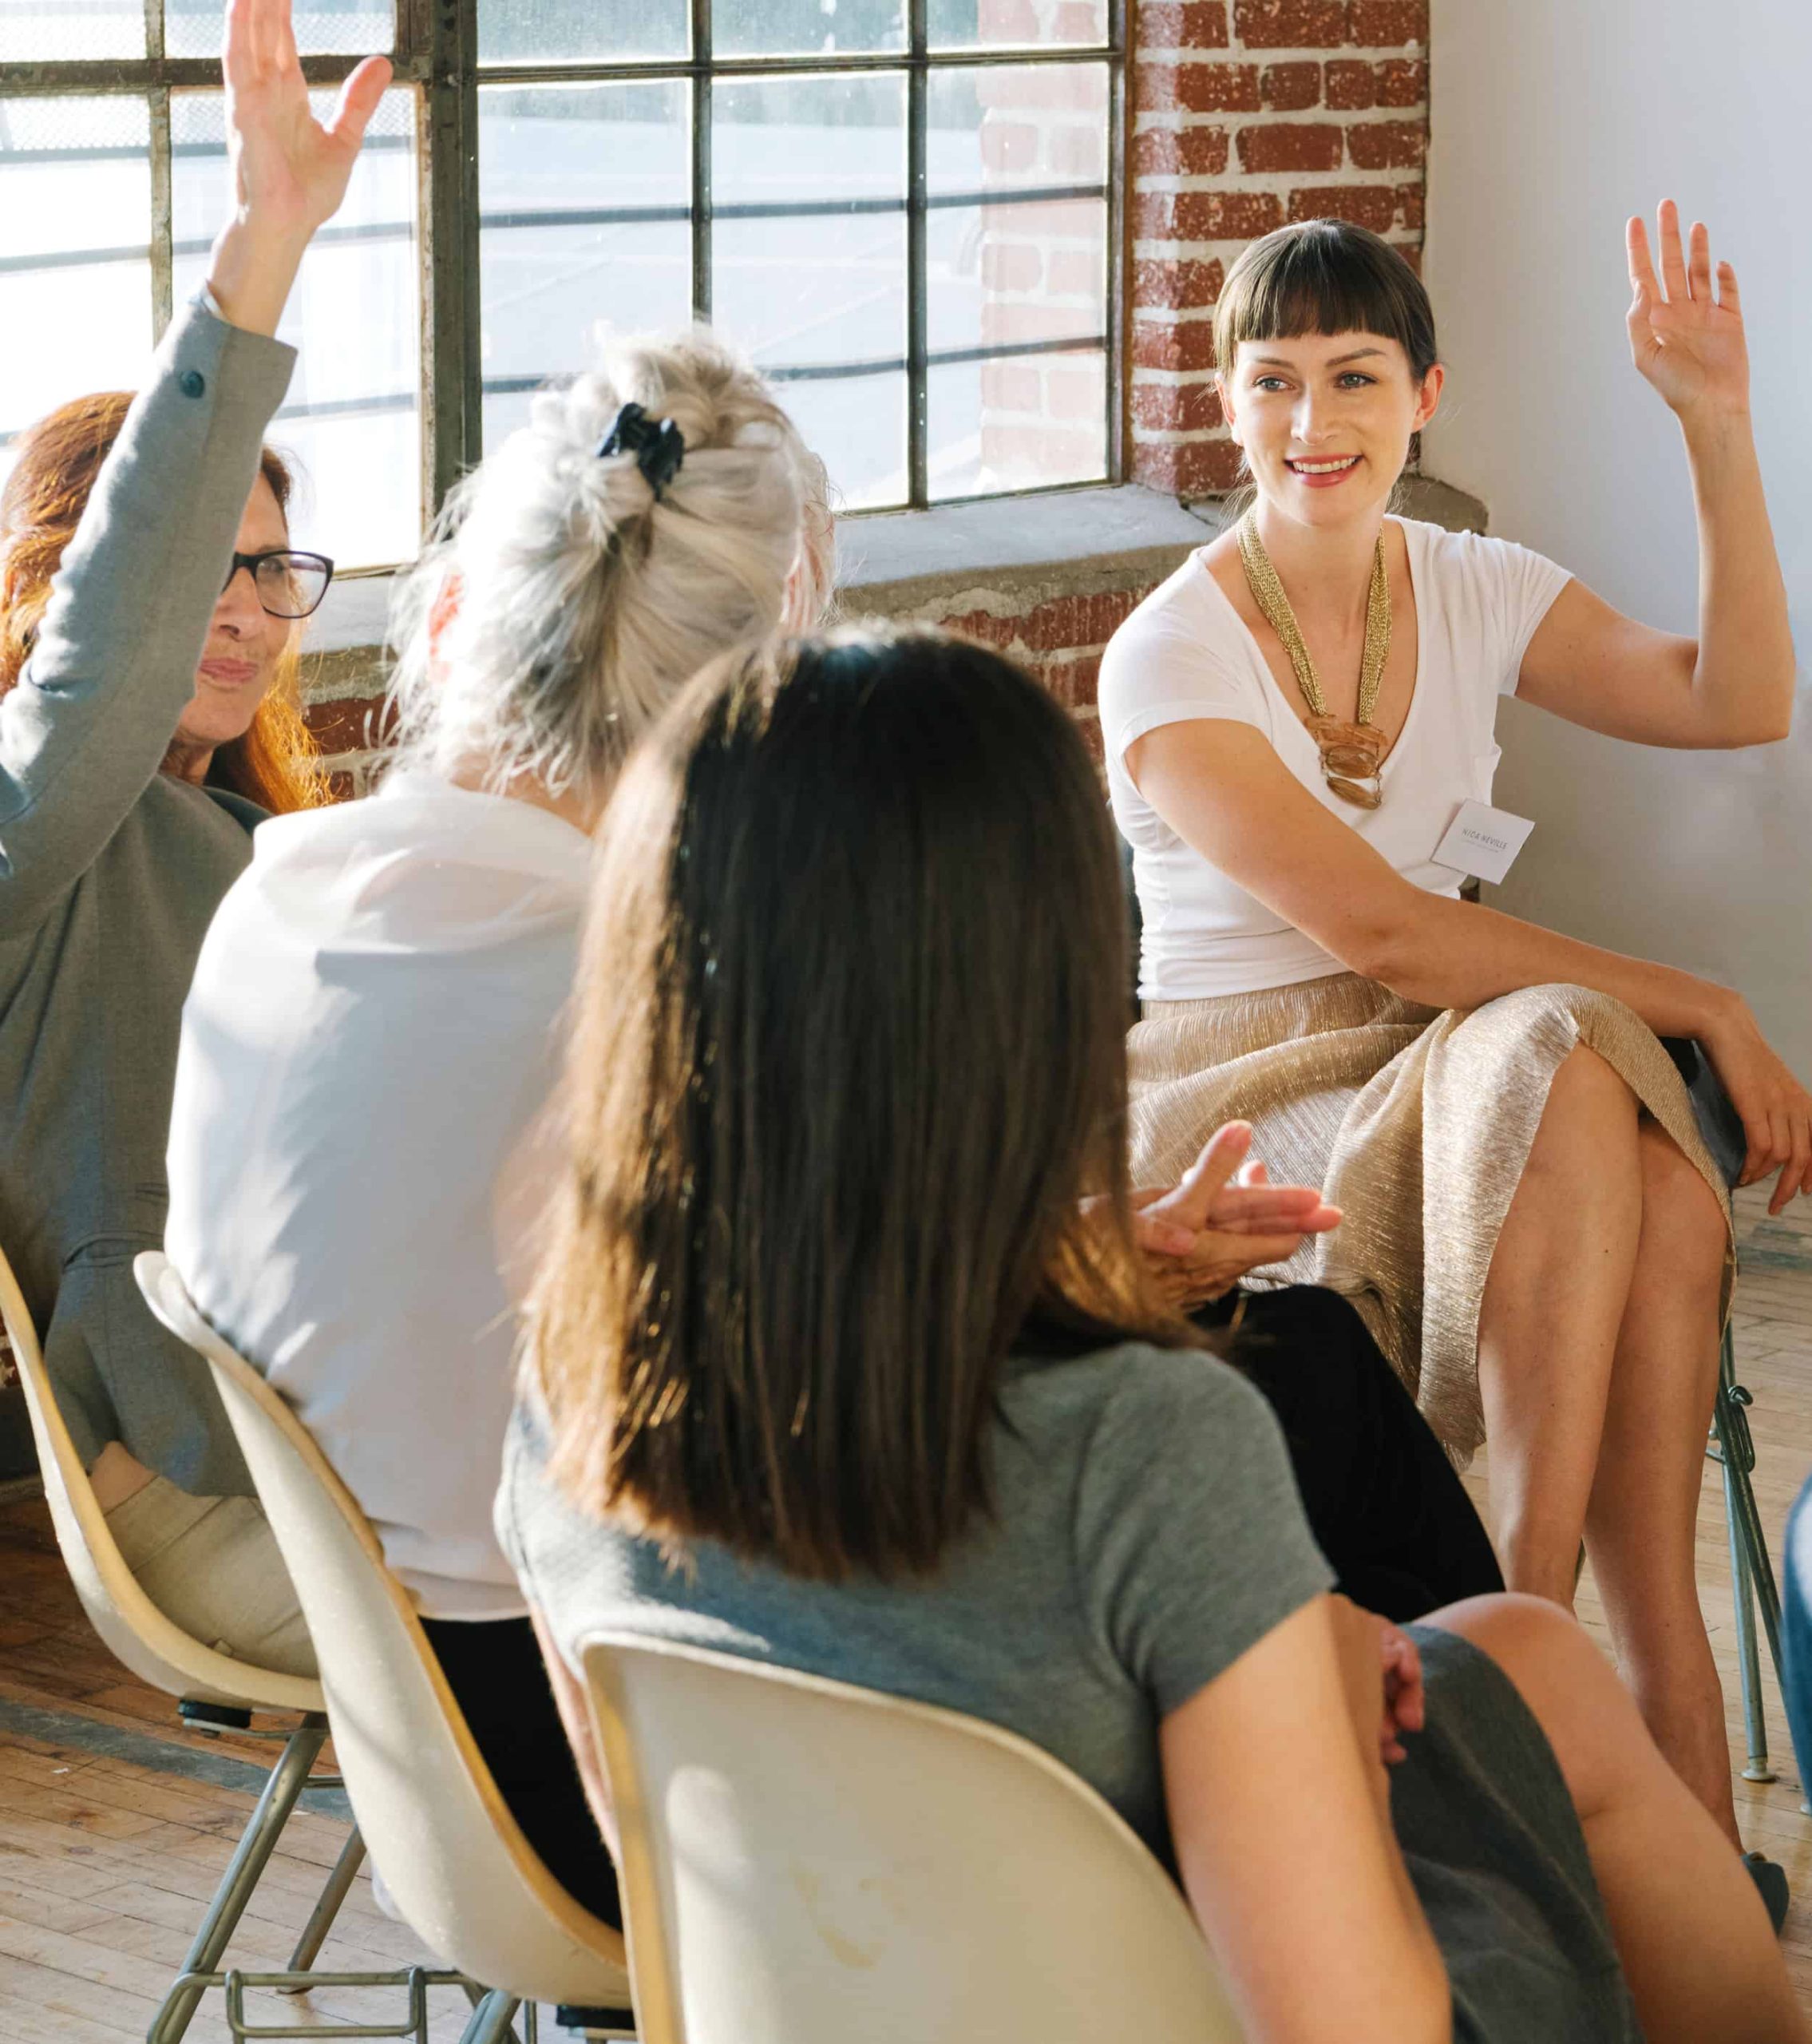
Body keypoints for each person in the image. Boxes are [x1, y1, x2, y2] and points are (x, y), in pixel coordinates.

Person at [498, 624, 1805, 2044]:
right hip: (1166, 1991)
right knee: (1521, 1705)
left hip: (863, 1993)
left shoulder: (568, 1393)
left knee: (1521, 1652)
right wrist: (1307, 1742)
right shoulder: (1147, 1448)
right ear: (1035, 989)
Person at [1097, 212, 1806, 1856]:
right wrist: (1699, 999)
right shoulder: (1171, 647)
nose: (1309, 420)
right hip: (1241, 1076)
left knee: (1648, 1156)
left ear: (1426, 396)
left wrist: (1715, 428)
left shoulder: (1473, 584)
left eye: (1352, 377)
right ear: (1225, 402)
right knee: (1569, 1051)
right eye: (1269, 380)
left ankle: (1633, 1724)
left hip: (1454, 1045)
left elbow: (1737, 699)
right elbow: (1385, 934)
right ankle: (1526, 1629)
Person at [164, 247, 833, 1919]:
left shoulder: (275, 895)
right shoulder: (642, 1002)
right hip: (620, 1777)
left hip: (408, 1740)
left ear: (454, 611)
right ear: (751, 704)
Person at [0, 0, 386, 1677]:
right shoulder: (37, 836)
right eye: (204, 571)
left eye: (273, 572)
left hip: (350, 1429)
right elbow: (111, 655)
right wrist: (262, 255)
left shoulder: (255, 842)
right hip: (213, 1481)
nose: (244, 615)